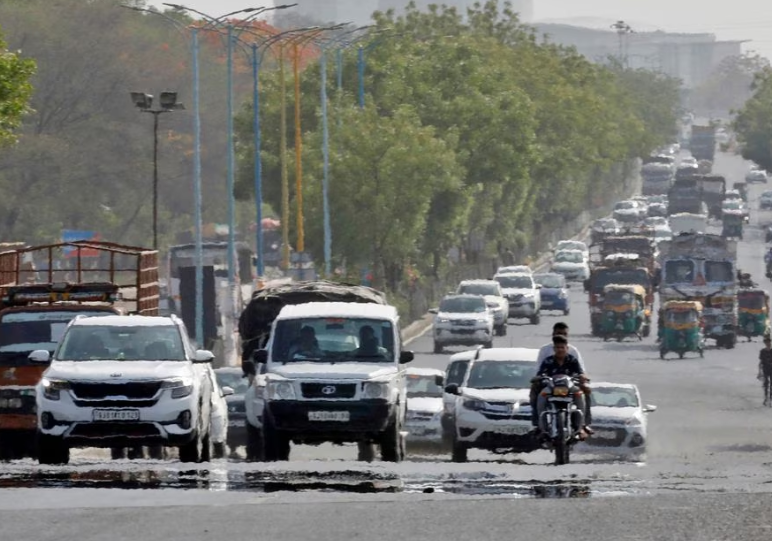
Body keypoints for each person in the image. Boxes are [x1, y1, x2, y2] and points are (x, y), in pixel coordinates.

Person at [534, 335, 589, 439]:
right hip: (551, 388)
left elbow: (580, 373)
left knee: (580, 396)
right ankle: (542, 428)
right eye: (557, 348)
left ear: (566, 348)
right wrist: (538, 378)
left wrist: (582, 377)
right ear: (554, 349)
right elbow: (540, 374)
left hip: (570, 388)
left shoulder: (572, 360)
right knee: (541, 397)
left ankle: (581, 427)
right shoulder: (548, 361)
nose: (560, 350)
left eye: (562, 347)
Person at [759, 336, 772, 406]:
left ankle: (770, 398)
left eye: (769, 342)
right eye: (767, 343)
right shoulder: (762, 351)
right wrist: (759, 371)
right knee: (766, 384)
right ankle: (766, 397)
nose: (768, 344)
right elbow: (761, 361)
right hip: (765, 369)